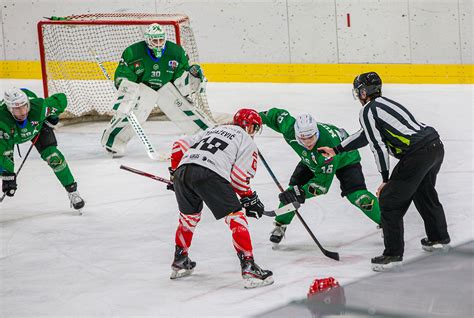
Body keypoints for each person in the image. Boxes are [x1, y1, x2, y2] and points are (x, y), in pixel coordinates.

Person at [318, 72, 450, 271]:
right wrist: (336, 150)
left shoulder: (368, 110)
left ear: (364, 91)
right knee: (424, 192)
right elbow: (366, 135)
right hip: (435, 147)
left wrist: (386, 179)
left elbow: (377, 146)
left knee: (389, 200)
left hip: (417, 154)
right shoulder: (384, 104)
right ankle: (439, 238)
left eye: (359, 91)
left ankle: (392, 255)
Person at [168, 108, 273, 289]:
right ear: (250, 127)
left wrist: (174, 174)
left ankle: (180, 260)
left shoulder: (213, 129)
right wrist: (249, 197)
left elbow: (179, 145)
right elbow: (239, 177)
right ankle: (249, 267)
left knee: (188, 218)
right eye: (255, 128)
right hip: (210, 173)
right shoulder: (246, 140)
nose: (254, 132)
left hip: (184, 171)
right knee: (236, 217)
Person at [259, 108, 381, 246]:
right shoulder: (289, 128)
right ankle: (280, 224)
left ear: (316, 132)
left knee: (358, 196)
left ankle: (387, 222)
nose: (307, 142)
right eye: (303, 138)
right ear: (296, 134)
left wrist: (300, 192)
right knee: (292, 190)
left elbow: (322, 186)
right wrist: (252, 120)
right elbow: (274, 115)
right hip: (313, 160)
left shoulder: (327, 145)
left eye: (311, 137)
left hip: (345, 158)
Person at [101, 23, 206, 156]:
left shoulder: (176, 52)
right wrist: (126, 88)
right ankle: (113, 141)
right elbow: (124, 76)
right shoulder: (133, 52)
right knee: (132, 111)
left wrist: (192, 77)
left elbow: (181, 78)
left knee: (185, 110)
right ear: (147, 40)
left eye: (160, 40)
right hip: (143, 89)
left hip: (167, 87)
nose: (158, 43)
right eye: (154, 40)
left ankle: (206, 137)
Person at [0, 88, 85, 212]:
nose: (22, 112)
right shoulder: (2, 120)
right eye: (17, 109)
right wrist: (7, 175)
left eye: (24, 107)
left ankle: (73, 191)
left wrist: (52, 117)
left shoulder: (39, 108)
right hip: (10, 137)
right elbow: (2, 153)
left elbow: (61, 99)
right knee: (5, 165)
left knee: (54, 157)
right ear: (9, 109)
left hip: (38, 129)